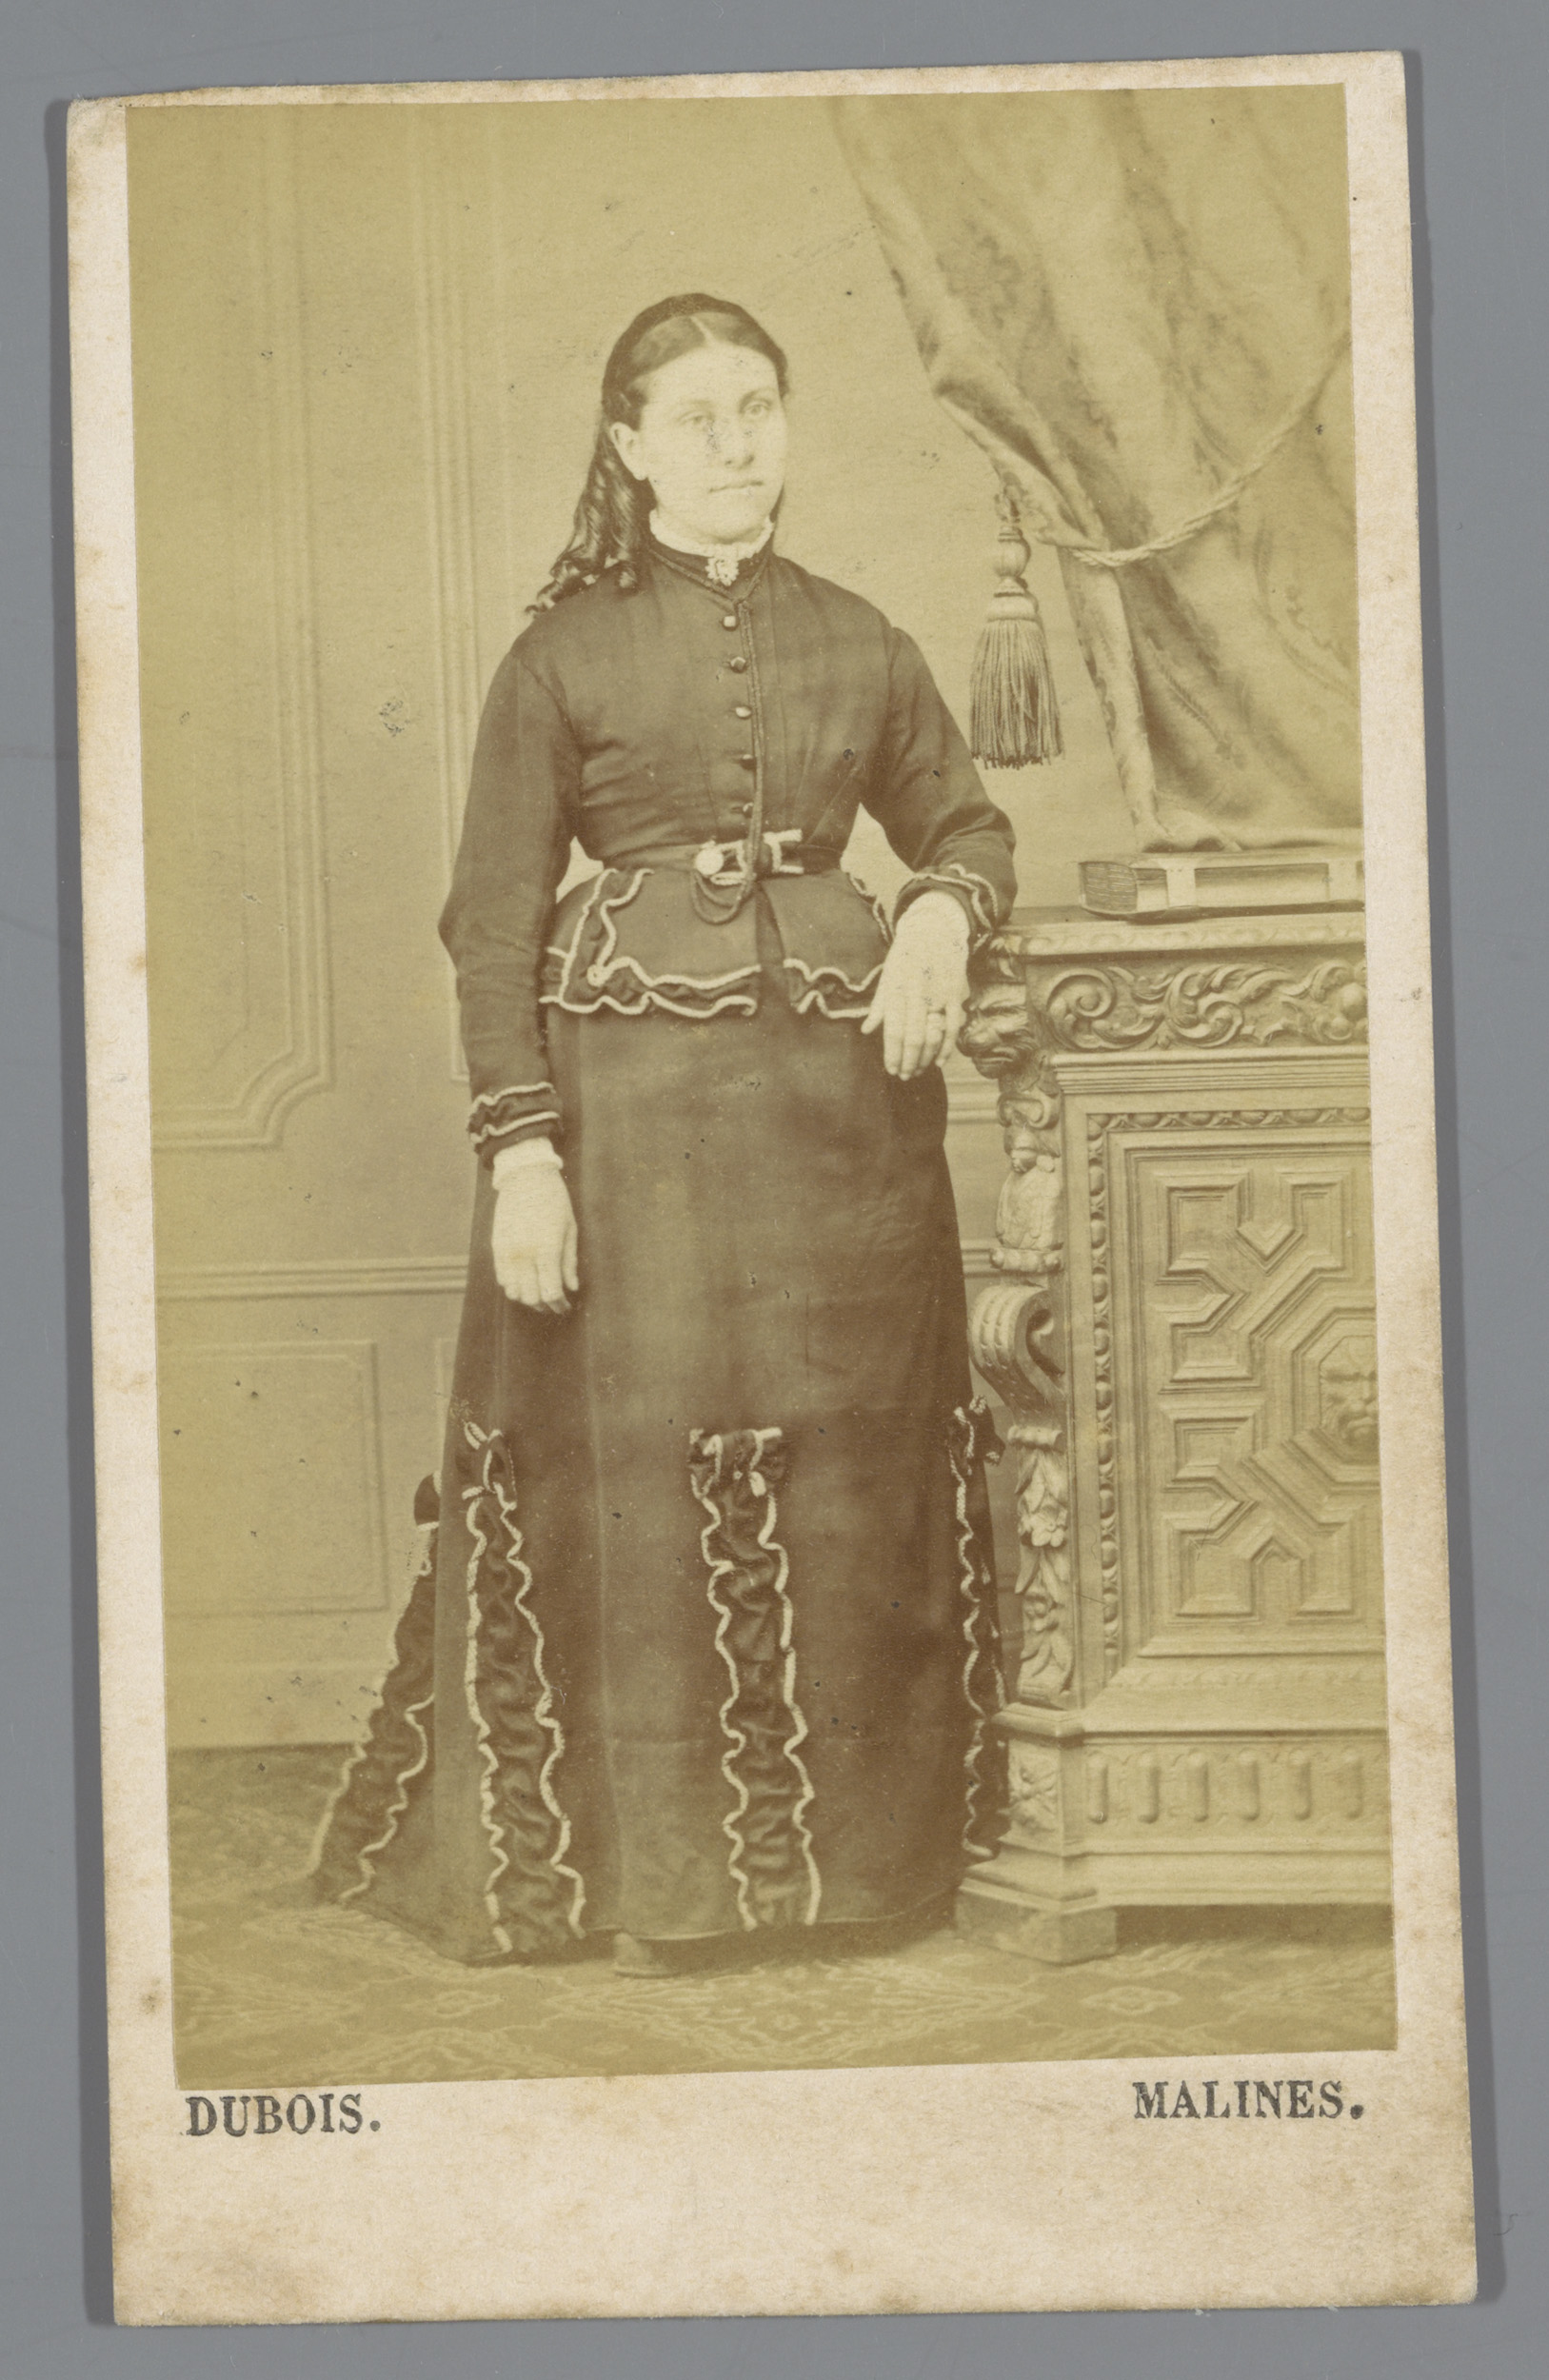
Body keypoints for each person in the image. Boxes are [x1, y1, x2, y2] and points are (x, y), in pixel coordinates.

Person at [311, 293, 1017, 1974]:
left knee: (850, 1473)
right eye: (696, 417)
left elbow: (971, 825)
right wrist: (522, 1155)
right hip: (630, 1145)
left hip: (848, 1139)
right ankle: (662, 1884)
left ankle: (869, 1876)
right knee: (642, 1479)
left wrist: (937, 913)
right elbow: (493, 927)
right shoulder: (561, 656)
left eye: (758, 407)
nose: (735, 445)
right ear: (629, 448)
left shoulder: (862, 636)